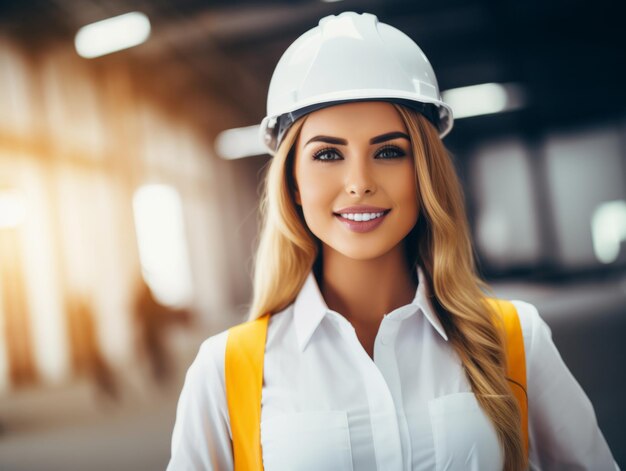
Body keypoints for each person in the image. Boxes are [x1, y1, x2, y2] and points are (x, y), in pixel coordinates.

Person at [167, 12, 618, 471]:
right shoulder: (225, 369)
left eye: (388, 152)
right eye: (327, 154)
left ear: (423, 173)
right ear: (294, 183)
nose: (359, 182)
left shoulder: (514, 339)